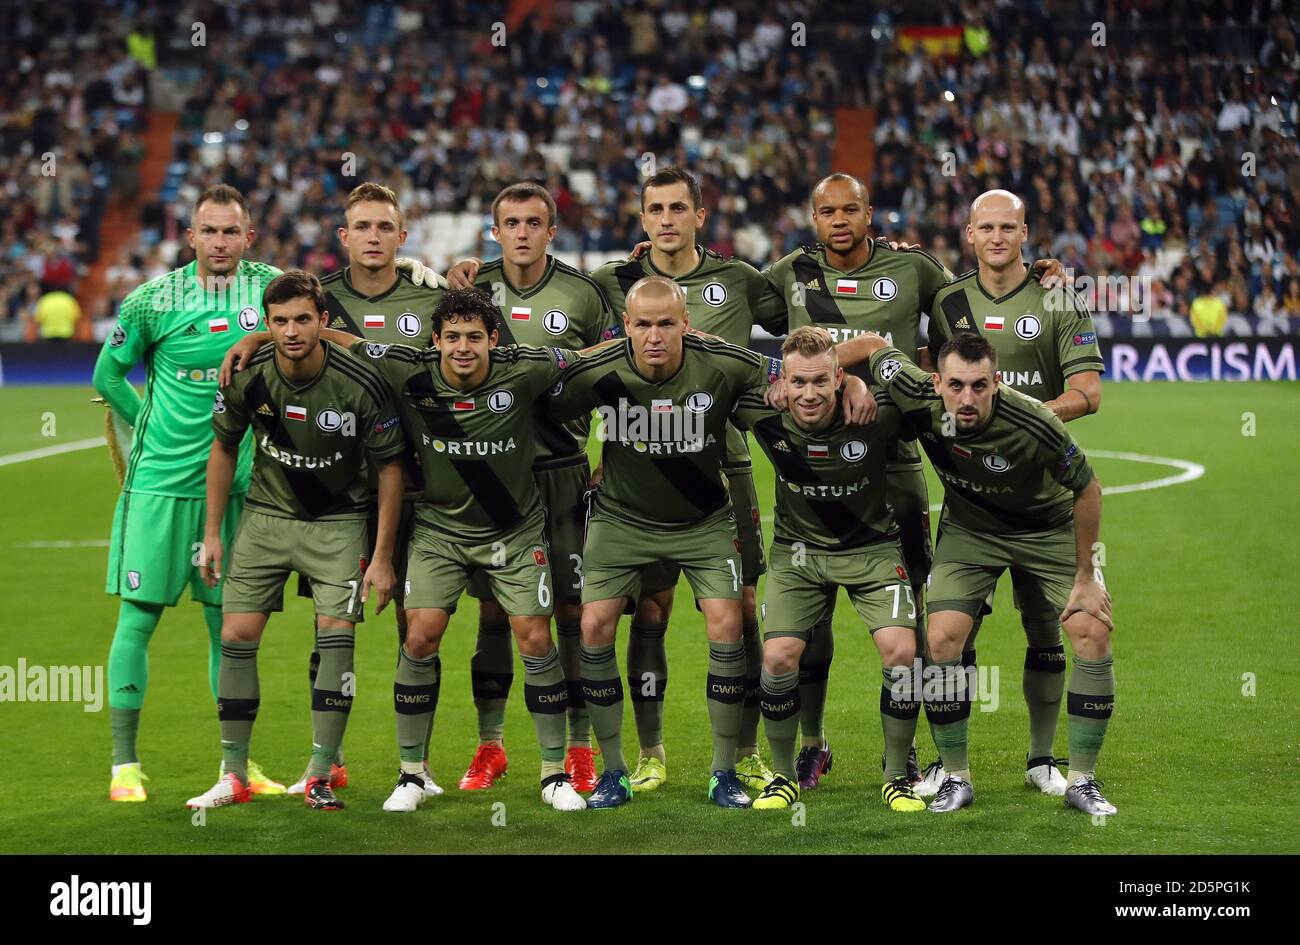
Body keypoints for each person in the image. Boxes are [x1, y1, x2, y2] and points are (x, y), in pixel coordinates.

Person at [547, 275, 872, 809]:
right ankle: (613, 771)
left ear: (686, 324)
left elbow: (809, 365)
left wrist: (851, 381)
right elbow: (529, 385)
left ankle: (724, 771)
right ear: (626, 325)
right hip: (620, 519)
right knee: (593, 625)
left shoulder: (724, 361)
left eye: (667, 324)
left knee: (728, 622)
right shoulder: (597, 366)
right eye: (644, 325)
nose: (655, 336)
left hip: (703, 521)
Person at [334, 288, 597, 812]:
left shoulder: (523, 369)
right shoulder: (409, 368)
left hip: (517, 533)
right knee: (420, 634)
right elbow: (343, 342)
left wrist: (652, 332)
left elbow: (585, 356)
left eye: (474, 337)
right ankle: (410, 775)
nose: (462, 347)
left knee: (535, 638)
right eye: (452, 337)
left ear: (493, 340)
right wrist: (255, 338)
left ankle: (552, 775)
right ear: (435, 341)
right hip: (440, 534)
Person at [839, 330, 1117, 816]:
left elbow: (1089, 488)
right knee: (942, 638)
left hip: (1045, 528)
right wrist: (840, 379)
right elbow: (867, 345)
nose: (966, 399)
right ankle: (957, 777)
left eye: (979, 386)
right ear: (936, 381)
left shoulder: (1035, 422)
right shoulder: (913, 389)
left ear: (997, 382)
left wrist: (1086, 578)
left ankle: (1082, 781)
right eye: (955, 385)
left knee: (1090, 631)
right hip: (971, 531)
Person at [186, 270, 406, 811]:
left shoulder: (360, 382)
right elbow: (221, 448)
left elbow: (391, 471)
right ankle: (233, 774)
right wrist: (213, 534)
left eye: (302, 319)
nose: (290, 331)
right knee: (236, 634)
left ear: (323, 322)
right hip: (265, 516)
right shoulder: (245, 374)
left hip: (338, 521)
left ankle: (320, 772)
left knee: (337, 636)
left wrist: (381, 557)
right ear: (266, 324)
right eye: (279, 321)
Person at [92, 183, 283, 803]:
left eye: (232, 231)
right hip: (161, 485)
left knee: (228, 628)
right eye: (210, 231)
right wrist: (146, 419)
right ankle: (125, 766)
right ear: (191, 235)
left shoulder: (272, 289)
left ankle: (238, 766)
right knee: (138, 619)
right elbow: (107, 374)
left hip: (237, 489)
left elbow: (338, 310)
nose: (221, 242)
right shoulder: (154, 300)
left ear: (248, 237)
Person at [921, 189, 1104, 796]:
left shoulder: (1059, 295)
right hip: (972, 509)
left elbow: (1088, 393)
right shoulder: (946, 300)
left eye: (1009, 227)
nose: (997, 238)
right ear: (969, 233)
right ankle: (953, 771)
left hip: (1044, 499)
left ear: (1026, 233)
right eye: (986, 228)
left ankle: (1044, 761)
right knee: (946, 636)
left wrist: (1018, 417)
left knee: (1052, 632)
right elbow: (933, 379)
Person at [285, 181, 448, 797]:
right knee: (334, 626)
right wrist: (248, 339)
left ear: (402, 237)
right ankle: (327, 758)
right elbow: (276, 336)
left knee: (419, 626)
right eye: (363, 227)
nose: (374, 237)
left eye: (386, 227)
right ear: (343, 236)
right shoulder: (315, 302)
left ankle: (417, 765)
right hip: (342, 489)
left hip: (424, 485)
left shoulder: (431, 299)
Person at [453, 182, 618, 794]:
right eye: (510, 223)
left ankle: (578, 749)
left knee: (571, 611)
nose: (521, 232)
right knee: (495, 611)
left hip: (561, 472)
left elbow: (613, 377)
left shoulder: (583, 293)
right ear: (494, 231)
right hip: (492, 476)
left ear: (553, 229)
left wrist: (614, 456)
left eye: (534, 222)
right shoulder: (470, 291)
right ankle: (490, 745)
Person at [733, 327, 926, 813]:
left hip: (873, 549)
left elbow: (890, 356)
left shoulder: (874, 410)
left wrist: (862, 385)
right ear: (783, 381)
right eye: (798, 382)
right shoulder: (762, 411)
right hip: (799, 554)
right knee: (777, 657)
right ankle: (782, 776)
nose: (809, 394)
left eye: (821, 381)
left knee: (902, 652)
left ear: (839, 376)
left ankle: (896, 774)